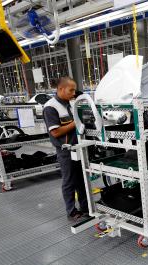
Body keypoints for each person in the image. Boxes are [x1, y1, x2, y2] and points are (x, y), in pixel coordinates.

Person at [43, 77, 88, 220]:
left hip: (78, 147)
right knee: (69, 181)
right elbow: (55, 132)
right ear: (61, 89)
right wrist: (76, 122)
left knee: (82, 179)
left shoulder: (70, 103)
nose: (73, 93)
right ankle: (71, 211)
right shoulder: (51, 107)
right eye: (71, 90)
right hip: (65, 151)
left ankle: (86, 207)